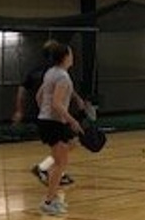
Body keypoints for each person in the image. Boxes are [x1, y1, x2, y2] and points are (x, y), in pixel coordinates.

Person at [13, 39, 89, 187]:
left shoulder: (49, 71)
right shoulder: (54, 72)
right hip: (53, 115)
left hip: (48, 114)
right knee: (67, 146)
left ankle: (48, 170)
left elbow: (34, 93)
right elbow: (32, 91)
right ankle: (49, 177)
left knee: (68, 145)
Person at [34, 41, 85, 216]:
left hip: (49, 121)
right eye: (70, 54)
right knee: (61, 163)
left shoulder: (51, 73)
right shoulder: (62, 77)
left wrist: (44, 112)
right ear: (65, 57)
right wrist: (72, 120)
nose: (73, 57)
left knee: (63, 156)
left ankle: (53, 198)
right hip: (54, 122)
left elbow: (39, 96)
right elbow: (56, 103)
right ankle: (48, 202)